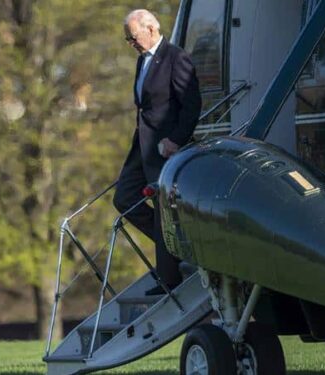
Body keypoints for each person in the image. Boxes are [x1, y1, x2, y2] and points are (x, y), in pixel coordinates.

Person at [113, 9, 201, 295]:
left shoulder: (176, 58)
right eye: (128, 39)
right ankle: (176, 246)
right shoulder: (143, 61)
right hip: (142, 147)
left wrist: (176, 139)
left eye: (133, 37)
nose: (132, 44)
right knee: (124, 198)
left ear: (151, 28)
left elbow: (191, 105)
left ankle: (169, 277)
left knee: (163, 208)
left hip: (165, 150)